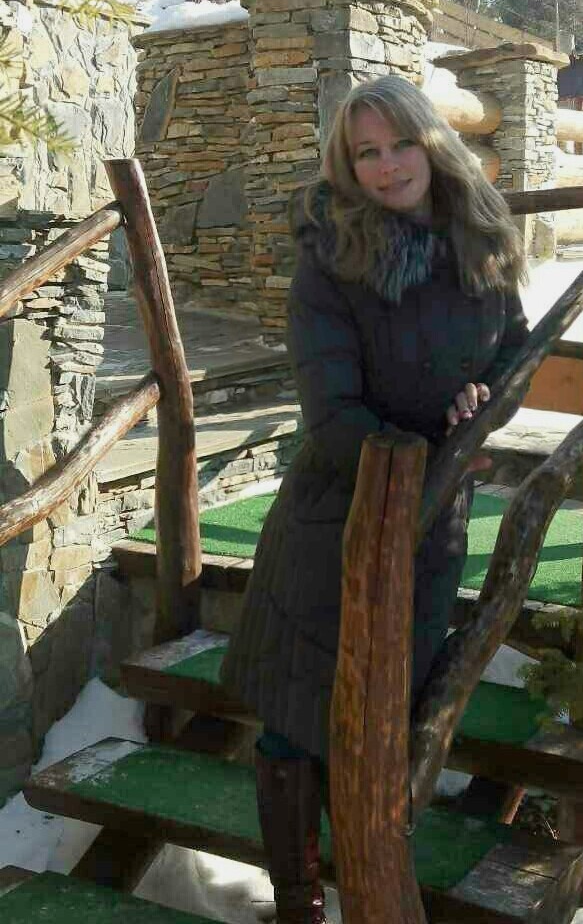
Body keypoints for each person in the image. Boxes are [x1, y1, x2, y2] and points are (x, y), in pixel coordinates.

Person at [220, 75, 529, 923]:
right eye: (367, 153)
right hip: (336, 519)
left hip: (434, 524)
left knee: (391, 713)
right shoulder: (332, 261)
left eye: (400, 145)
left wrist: (480, 406)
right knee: (298, 718)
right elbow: (331, 415)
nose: (388, 167)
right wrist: (417, 469)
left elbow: (514, 347)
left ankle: (371, 881)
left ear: (432, 141)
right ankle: (298, 905)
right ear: (346, 165)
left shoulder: (480, 238)